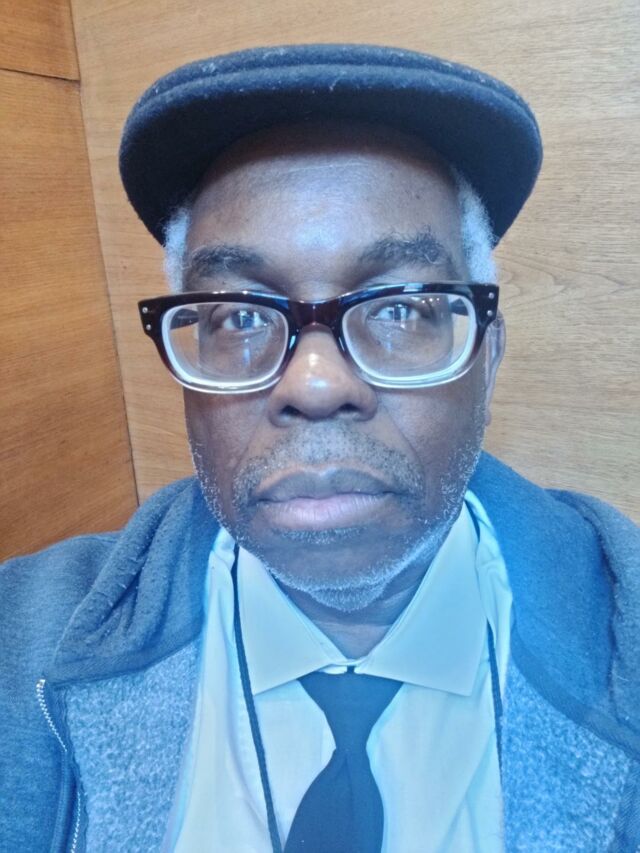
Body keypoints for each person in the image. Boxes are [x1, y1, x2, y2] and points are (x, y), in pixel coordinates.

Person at [1, 44, 638, 853]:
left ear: (487, 352)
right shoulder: (21, 645)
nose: (314, 382)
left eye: (401, 308)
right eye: (239, 316)